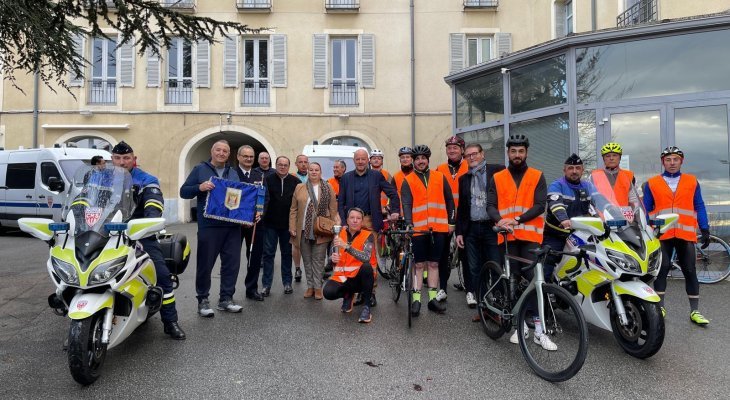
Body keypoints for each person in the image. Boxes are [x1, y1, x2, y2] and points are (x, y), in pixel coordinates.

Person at [111, 141, 185, 339]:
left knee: (162, 276)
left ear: (134, 160)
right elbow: (84, 202)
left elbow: (154, 202)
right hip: (105, 236)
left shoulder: (146, 179)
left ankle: (170, 322)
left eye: (126, 158)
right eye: (117, 158)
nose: (121, 162)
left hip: (139, 235)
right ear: (112, 160)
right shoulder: (102, 178)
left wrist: (149, 221)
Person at [486, 135, 549, 348]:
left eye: (521, 151)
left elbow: (540, 205)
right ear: (508, 153)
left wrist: (518, 219)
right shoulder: (498, 177)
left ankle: (539, 328)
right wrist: (500, 219)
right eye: (513, 151)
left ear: (526, 153)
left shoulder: (537, 176)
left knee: (532, 278)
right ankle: (518, 325)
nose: (517, 155)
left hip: (530, 236)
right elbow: (491, 205)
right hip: (507, 236)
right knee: (511, 279)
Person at [643, 146, 711, 325]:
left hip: (685, 233)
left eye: (675, 159)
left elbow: (700, 206)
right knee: (662, 269)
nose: (672, 163)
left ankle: (695, 311)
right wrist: (648, 228)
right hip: (662, 234)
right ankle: (660, 307)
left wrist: (705, 229)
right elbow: (646, 209)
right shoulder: (652, 183)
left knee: (690, 270)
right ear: (663, 162)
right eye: (668, 160)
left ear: (682, 161)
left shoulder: (692, 181)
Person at [180, 140, 243, 317]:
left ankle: (226, 299)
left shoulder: (233, 172)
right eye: (218, 150)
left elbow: (240, 197)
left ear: (228, 154)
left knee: (232, 264)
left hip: (232, 226)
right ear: (212, 151)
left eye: (225, 151)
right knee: (205, 264)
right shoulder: (200, 169)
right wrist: (200, 187)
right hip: (209, 225)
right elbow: (184, 192)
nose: (221, 153)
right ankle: (203, 300)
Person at [337, 149, 401, 307]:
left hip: (371, 221)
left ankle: (370, 293)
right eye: (357, 159)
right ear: (354, 160)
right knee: (354, 257)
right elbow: (340, 203)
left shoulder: (377, 176)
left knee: (370, 259)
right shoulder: (346, 178)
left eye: (363, 159)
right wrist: (344, 221)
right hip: (352, 223)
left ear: (368, 160)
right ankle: (359, 293)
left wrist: (395, 211)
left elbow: (393, 194)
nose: (360, 161)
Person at [401, 144, 455, 316]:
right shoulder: (408, 180)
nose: (420, 161)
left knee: (433, 264)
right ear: (414, 162)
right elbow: (407, 204)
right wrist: (409, 223)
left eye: (423, 158)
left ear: (428, 160)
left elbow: (449, 200)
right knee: (418, 265)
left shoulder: (440, 177)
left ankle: (432, 300)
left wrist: (452, 222)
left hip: (438, 228)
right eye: (417, 159)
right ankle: (416, 300)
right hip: (418, 229)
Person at [455, 143, 505, 308]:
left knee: (495, 265)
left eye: (474, 154)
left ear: (482, 154)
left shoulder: (498, 171)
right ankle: (483, 306)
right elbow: (462, 207)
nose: (471, 157)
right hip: (472, 229)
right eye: (468, 155)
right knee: (475, 267)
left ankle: (498, 303)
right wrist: (460, 232)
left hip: (492, 227)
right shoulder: (464, 179)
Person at [543, 154, 606, 280]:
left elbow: (601, 201)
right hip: (558, 233)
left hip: (580, 233)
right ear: (564, 170)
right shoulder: (557, 185)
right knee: (550, 259)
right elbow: (556, 205)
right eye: (571, 168)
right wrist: (564, 220)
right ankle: (543, 290)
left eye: (578, 168)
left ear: (582, 170)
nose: (574, 171)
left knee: (592, 259)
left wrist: (611, 214)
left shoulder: (587, 186)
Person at [289, 162, 339, 300]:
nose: (314, 172)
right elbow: (293, 209)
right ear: (308, 172)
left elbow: (333, 208)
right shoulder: (299, 187)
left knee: (318, 259)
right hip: (304, 229)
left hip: (321, 229)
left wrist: (334, 226)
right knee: (307, 259)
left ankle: (318, 287)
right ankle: (310, 286)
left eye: (317, 170)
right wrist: (292, 226)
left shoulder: (327, 187)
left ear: (320, 172)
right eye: (311, 170)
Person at [323, 208, 377, 323]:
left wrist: (347, 247)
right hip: (343, 278)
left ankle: (366, 307)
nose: (355, 221)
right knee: (327, 292)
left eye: (358, 218)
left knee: (367, 267)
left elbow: (366, 257)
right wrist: (332, 258)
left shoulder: (368, 235)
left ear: (362, 222)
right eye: (352, 218)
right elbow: (332, 255)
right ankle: (348, 295)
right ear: (347, 220)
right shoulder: (339, 233)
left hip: (360, 279)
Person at [435, 136, 469, 301]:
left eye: (455, 147)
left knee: (466, 254)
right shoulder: (440, 168)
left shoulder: (469, 166)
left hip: (465, 217)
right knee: (443, 255)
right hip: (445, 217)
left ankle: (469, 288)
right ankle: (442, 288)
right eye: (449, 148)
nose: (452, 150)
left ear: (462, 149)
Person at [261, 156, 301, 295]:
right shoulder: (267, 180)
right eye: (280, 164)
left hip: (287, 226)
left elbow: (298, 204)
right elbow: (262, 199)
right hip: (270, 224)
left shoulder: (296, 182)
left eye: (285, 165)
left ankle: (287, 283)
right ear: (275, 165)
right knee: (268, 255)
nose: (282, 167)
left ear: (289, 166)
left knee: (286, 254)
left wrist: (295, 225)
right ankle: (266, 285)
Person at [235, 145, 265, 302]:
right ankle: (228, 292)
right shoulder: (231, 174)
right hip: (235, 223)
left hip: (255, 223)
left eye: (251, 157)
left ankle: (252, 289)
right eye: (245, 156)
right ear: (238, 157)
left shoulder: (259, 175)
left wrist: (261, 212)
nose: (248, 159)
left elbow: (264, 197)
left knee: (254, 256)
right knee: (232, 257)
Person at [591, 142, 638, 207]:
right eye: (608, 156)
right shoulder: (594, 175)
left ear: (620, 158)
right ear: (603, 159)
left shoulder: (629, 175)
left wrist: (635, 214)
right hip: (602, 214)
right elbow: (590, 198)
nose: (611, 158)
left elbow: (634, 200)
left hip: (623, 215)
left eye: (615, 155)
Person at [292, 154, 309, 282]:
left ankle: (311, 269)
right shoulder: (292, 178)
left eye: (305, 162)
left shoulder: (313, 177)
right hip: (297, 215)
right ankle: (297, 268)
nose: (303, 164)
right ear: (296, 164)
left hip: (310, 216)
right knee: (296, 244)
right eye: (300, 162)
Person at [369, 149, 390, 214]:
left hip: (384, 210)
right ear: (370, 161)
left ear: (382, 161)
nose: (376, 160)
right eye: (374, 158)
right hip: (369, 209)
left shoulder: (387, 175)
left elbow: (393, 193)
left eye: (379, 158)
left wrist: (387, 207)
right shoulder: (366, 174)